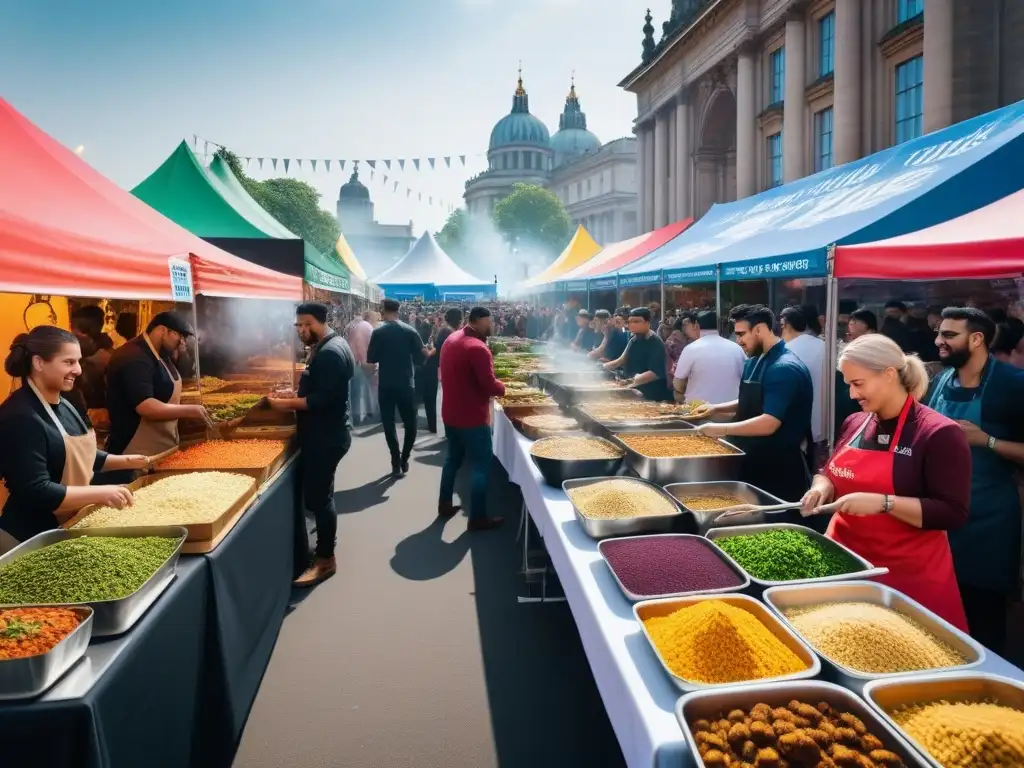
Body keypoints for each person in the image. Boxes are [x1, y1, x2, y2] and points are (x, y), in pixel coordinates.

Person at [801, 333, 971, 630]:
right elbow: (827, 468)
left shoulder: (939, 433)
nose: (852, 395)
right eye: (849, 385)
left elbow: (953, 513)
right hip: (845, 565)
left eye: (858, 383)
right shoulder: (856, 422)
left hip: (907, 578)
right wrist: (822, 486)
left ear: (890, 374)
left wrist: (884, 503)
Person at [0, 327, 150, 553]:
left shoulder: (64, 403)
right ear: (39, 363)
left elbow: (76, 453)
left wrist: (127, 461)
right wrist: (103, 493)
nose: (78, 370)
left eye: (78, 362)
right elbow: (36, 489)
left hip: (64, 527)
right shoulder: (20, 417)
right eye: (69, 362)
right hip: (27, 538)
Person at [927, 307, 1024, 652]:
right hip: (939, 517)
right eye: (939, 333)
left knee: (984, 621)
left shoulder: (1012, 385)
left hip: (988, 523)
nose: (939, 341)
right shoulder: (940, 381)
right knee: (940, 618)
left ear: (977, 339)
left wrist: (988, 441)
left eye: (949, 335)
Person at [268, 303, 355, 587]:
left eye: (306, 324)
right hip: (327, 433)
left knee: (320, 499)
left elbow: (320, 401)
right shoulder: (330, 343)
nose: (302, 330)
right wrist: (297, 391)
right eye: (299, 325)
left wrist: (283, 403)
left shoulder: (330, 352)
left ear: (320, 322)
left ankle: (325, 560)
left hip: (326, 437)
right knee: (322, 494)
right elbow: (319, 389)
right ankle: (323, 549)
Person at [696, 305, 813, 504]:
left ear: (759, 329)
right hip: (751, 459)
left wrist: (720, 429)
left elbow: (769, 422)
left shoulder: (784, 368)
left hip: (778, 467)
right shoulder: (754, 360)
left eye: (742, 334)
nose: (738, 341)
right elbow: (753, 399)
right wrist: (716, 408)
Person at [103, 311, 211, 480]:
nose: (182, 342)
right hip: (135, 453)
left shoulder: (161, 355)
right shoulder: (134, 358)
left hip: (161, 450)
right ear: (162, 330)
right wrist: (190, 410)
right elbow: (146, 407)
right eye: (179, 336)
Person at [437, 307, 505, 531]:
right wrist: (505, 386)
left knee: (453, 459)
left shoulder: (451, 339)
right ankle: (477, 517)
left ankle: (445, 503)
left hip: (450, 413)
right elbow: (489, 385)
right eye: (489, 321)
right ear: (476, 321)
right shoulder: (478, 348)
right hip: (472, 417)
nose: (491, 325)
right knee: (481, 466)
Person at [367, 298, 430, 477]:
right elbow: (424, 355)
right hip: (406, 383)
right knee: (411, 424)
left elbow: (371, 359)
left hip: (386, 383)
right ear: (399, 310)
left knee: (388, 423)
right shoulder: (410, 330)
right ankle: (405, 458)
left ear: (383, 311)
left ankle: (395, 459)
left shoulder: (378, 332)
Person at [672, 310, 744, 405]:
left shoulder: (691, 349)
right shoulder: (737, 348)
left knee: (677, 393)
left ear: (696, 325)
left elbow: (678, 384)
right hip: (732, 409)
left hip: (698, 411)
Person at [602, 307, 672, 401]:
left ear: (647, 323)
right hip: (636, 390)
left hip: (652, 395)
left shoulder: (655, 342)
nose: (632, 325)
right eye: (630, 321)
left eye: (637, 321)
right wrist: (602, 367)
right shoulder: (634, 340)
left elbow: (655, 373)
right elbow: (621, 360)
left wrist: (630, 381)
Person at [780, 306, 826, 446]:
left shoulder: (785, 350)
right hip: (824, 419)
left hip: (794, 421)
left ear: (786, 325)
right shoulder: (824, 346)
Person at [423, 307, 463, 433]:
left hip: (435, 366)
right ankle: (436, 426)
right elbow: (442, 350)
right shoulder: (448, 331)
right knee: (436, 399)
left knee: (435, 399)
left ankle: (435, 425)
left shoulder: (445, 329)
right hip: (437, 367)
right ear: (458, 320)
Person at [345, 310, 378, 425]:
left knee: (355, 392)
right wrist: (368, 363)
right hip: (362, 363)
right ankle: (366, 416)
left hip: (351, 361)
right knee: (366, 390)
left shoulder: (351, 325)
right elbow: (366, 346)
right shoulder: (367, 327)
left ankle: (356, 417)